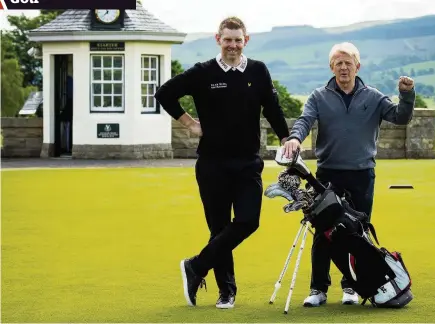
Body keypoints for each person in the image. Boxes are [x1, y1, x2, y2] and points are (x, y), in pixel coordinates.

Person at [154, 16, 290, 309]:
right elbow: (164, 93)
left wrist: (287, 138)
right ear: (218, 39)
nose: (232, 45)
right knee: (219, 228)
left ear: (246, 41)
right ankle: (226, 292)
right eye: (227, 39)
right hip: (212, 165)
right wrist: (189, 122)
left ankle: (196, 266)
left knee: (247, 221)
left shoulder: (258, 70)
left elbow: (274, 109)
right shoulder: (203, 72)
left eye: (237, 40)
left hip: (248, 164)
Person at [282, 42, 415, 307]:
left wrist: (407, 93)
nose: (344, 67)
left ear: (358, 66)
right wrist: (295, 138)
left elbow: (401, 117)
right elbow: (304, 120)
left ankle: (351, 287)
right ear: (331, 67)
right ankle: (318, 289)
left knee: (358, 232)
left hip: (362, 175)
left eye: (348, 62)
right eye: (338, 63)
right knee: (322, 232)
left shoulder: (374, 97)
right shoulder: (318, 96)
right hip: (327, 175)